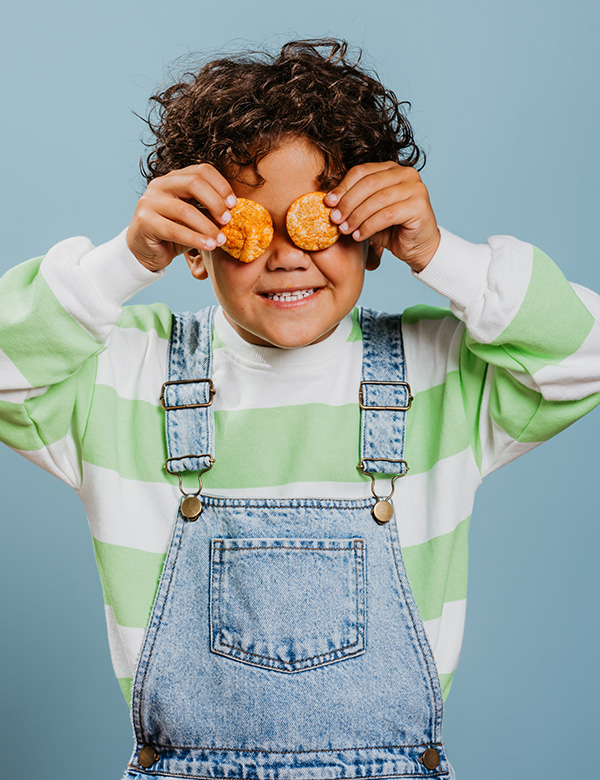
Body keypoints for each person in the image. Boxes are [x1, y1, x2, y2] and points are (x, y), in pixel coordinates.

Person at [1, 38, 598, 780]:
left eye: (319, 220)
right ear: (196, 246)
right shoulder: (124, 375)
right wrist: (125, 260)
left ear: (373, 240)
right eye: (253, 228)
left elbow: (584, 355)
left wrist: (442, 254)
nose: (286, 253)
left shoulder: (439, 375)